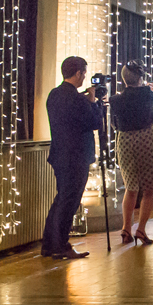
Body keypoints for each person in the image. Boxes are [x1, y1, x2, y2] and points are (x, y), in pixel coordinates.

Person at [41, 56, 103, 259]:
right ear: (78, 73)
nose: (84, 77)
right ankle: (61, 246)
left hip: (59, 154)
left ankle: (49, 244)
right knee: (70, 202)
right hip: (77, 157)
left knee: (61, 199)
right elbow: (95, 123)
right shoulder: (78, 100)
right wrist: (93, 103)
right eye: (83, 73)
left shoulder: (54, 95)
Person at [110, 60, 153, 246]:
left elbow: (113, 124)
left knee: (130, 186)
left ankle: (126, 229)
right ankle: (140, 229)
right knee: (150, 186)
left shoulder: (115, 100)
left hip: (124, 140)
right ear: (140, 77)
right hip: (145, 138)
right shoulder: (148, 94)